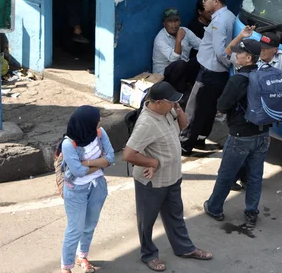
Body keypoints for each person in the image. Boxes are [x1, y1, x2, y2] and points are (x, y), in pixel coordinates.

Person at [123, 81, 212, 272]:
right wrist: (152, 163)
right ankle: (148, 255)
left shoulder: (168, 110)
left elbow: (183, 125)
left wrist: (179, 111)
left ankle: (184, 248)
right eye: (170, 102)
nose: (174, 104)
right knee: (147, 221)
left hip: (172, 177)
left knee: (175, 215)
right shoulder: (146, 123)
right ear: (157, 102)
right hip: (152, 182)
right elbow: (128, 154)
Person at [225, 19, 282, 190]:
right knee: (242, 147)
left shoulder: (281, 60)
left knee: (255, 151)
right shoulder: (251, 57)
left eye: (266, 49)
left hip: (265, 113)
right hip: (246, 109)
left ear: (276, 50)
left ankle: (246, 178)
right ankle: (232, 178)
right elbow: (228, 51)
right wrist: (242, 35)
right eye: (261, 47)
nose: (262, 51)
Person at [203, 39, 270, 228]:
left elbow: (222, 106)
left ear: (248, 58)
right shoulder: (267, 75)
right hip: (263, 134)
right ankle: (251, 212)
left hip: (241, 135)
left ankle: (214, 207)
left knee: (226, 174)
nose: (236, 55)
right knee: (255, 176)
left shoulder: (238, 79)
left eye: (239, 53)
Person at [60, 106, 115, 273]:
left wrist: (87, 163)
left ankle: (82, 255)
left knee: (90, 225)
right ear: (86, 124)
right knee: (75, 229)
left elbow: (111, 158)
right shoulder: (68, 144)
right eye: (97, 119)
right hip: (76, 189)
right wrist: (100, 162)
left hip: (97, 186)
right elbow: (77, 172)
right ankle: (66, 267)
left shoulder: (100, 132)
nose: (101, 121)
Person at [181, 0, 235, 154]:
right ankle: (200, 138)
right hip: (214, 71)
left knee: (196, 109)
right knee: (208, 108)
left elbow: (220, 51)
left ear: (216, 2)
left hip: (211, 72)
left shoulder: (219, 21)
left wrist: (228, 65)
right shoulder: (228, 16)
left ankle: (186, 144)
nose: (203, 2)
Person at [153, 8, 202, 93]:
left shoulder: (185, 31)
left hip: (182, 70)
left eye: (176, 21)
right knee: (180, 64)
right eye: (170, 21)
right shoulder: (160, 39)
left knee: (198, 59)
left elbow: (201, 45)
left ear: (180, 22)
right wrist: (178, 40)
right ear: (164, 24)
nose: (174, 24)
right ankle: (180, 91)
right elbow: (174, 59)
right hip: (164, 77)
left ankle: (193, 87)